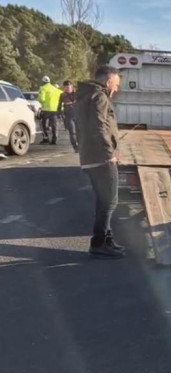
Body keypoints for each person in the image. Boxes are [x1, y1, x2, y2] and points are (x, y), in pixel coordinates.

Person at [75, 66, 124, 258]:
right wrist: (109, 153)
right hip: (101, 158)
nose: (117, 89)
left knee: (104, 201)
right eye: (116, 84)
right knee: (110, 201)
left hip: (89, 156)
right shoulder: (100, 97)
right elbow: (99, 126)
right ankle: (99, 243)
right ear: (108, 81)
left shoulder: (86, 95)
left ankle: (105, 241)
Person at [37, 76, 63, 145]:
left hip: (46, 109)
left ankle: (46, 138)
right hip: (55, 110)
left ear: (43, 82)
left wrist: (38, 99)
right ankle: (54, 139)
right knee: (54, 125)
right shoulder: (55, 89)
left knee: (42, 124)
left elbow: (42, 99)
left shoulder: (43, 88)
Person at [57, 80, 79, 152]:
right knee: (72, 132)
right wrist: (59, 114)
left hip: (78, 115)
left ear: (72, 86)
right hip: (69, 116)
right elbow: (59, 105)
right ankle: (75, 147)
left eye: (68, 87)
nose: (67, 89)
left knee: (80, 132)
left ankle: (81, 145)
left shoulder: (77, 93)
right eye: (65, 87)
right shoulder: (62, 95)